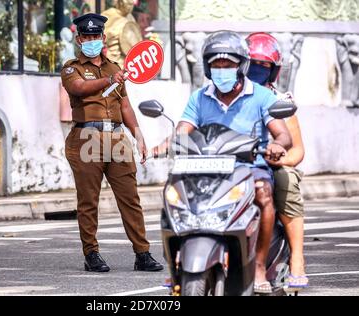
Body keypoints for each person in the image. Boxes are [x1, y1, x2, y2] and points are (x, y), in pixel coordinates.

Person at [152, 31, 292, 294]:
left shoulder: (260, 96)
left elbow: (283, 133)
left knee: (263, 195)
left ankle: (259, 266)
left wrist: (276, 144)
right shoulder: (199, 97)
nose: (222, 71)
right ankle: (176, 266)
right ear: (208, 67)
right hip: (205, 168)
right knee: (172, 195)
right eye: (217, 66)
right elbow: (183, 129)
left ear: (241, 66)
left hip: (248, 167)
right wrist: (164, 144)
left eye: (228, 65)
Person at [61, 13, 163, 273]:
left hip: (117, 137)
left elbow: (125, 105)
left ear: (103, 38)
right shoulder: (71, 68)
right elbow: (80, 89)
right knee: (88, 201)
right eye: (87, 36)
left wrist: (138, 136)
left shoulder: (115, 67)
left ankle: (142, 253)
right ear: (79, 38)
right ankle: (91, 254)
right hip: (86, 137)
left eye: (96, 36)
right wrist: (108, 81)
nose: (92, 40)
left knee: (130, 198)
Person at [246, 32, 308, 289]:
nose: (257, 70)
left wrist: (277, 160)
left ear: (274, 71)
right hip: (235, 165)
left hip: (268, 165)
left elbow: (297, 151)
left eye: (264, 66)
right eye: (252, 63)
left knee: (285, 180)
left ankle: (297, 258)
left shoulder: (281, 101)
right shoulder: (226, 97)